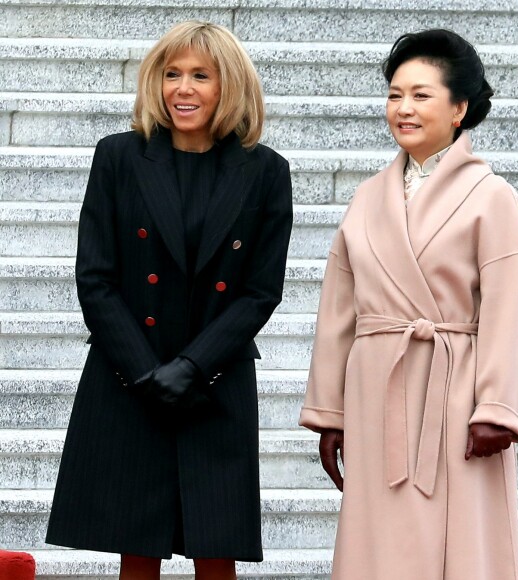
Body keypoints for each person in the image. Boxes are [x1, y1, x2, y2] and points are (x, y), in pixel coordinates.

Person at [46, 20, 293, 580]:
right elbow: (96, 278)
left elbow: (260, 291)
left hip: (215, 380)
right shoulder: (118, 158)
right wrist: (147, 372)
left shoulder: (266, 172)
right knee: (137, 547)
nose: (182, 88)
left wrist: (193, 366)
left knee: (216, 549)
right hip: (129, 376)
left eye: (200, 75)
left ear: (228, 85)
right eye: (171, 74)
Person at [299, 29, 518, 580]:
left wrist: (497, 407)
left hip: (455, 397)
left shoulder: (494, 198)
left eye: (421, 95)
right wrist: (331, 412)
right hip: (375, 390)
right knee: (378, 544)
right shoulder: (367, 197)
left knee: (459, 542)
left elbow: (508, 309)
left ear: (460, 109)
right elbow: (340, 309)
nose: (403, 108)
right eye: (394, 94)